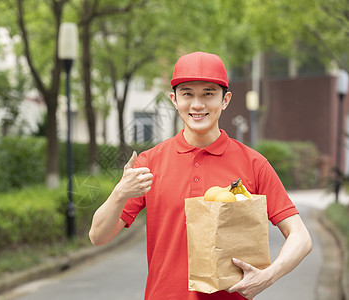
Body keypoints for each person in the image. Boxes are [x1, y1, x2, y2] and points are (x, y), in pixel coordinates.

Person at [89, 51, 312, 300]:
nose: (197, 104)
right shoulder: (149, 163)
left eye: (208, 94)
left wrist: (268, 276)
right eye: (187, 94)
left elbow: (301, 237)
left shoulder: (253, 163)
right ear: (173, 100)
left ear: (225, 100)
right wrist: (120, 193)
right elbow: (98, 236)